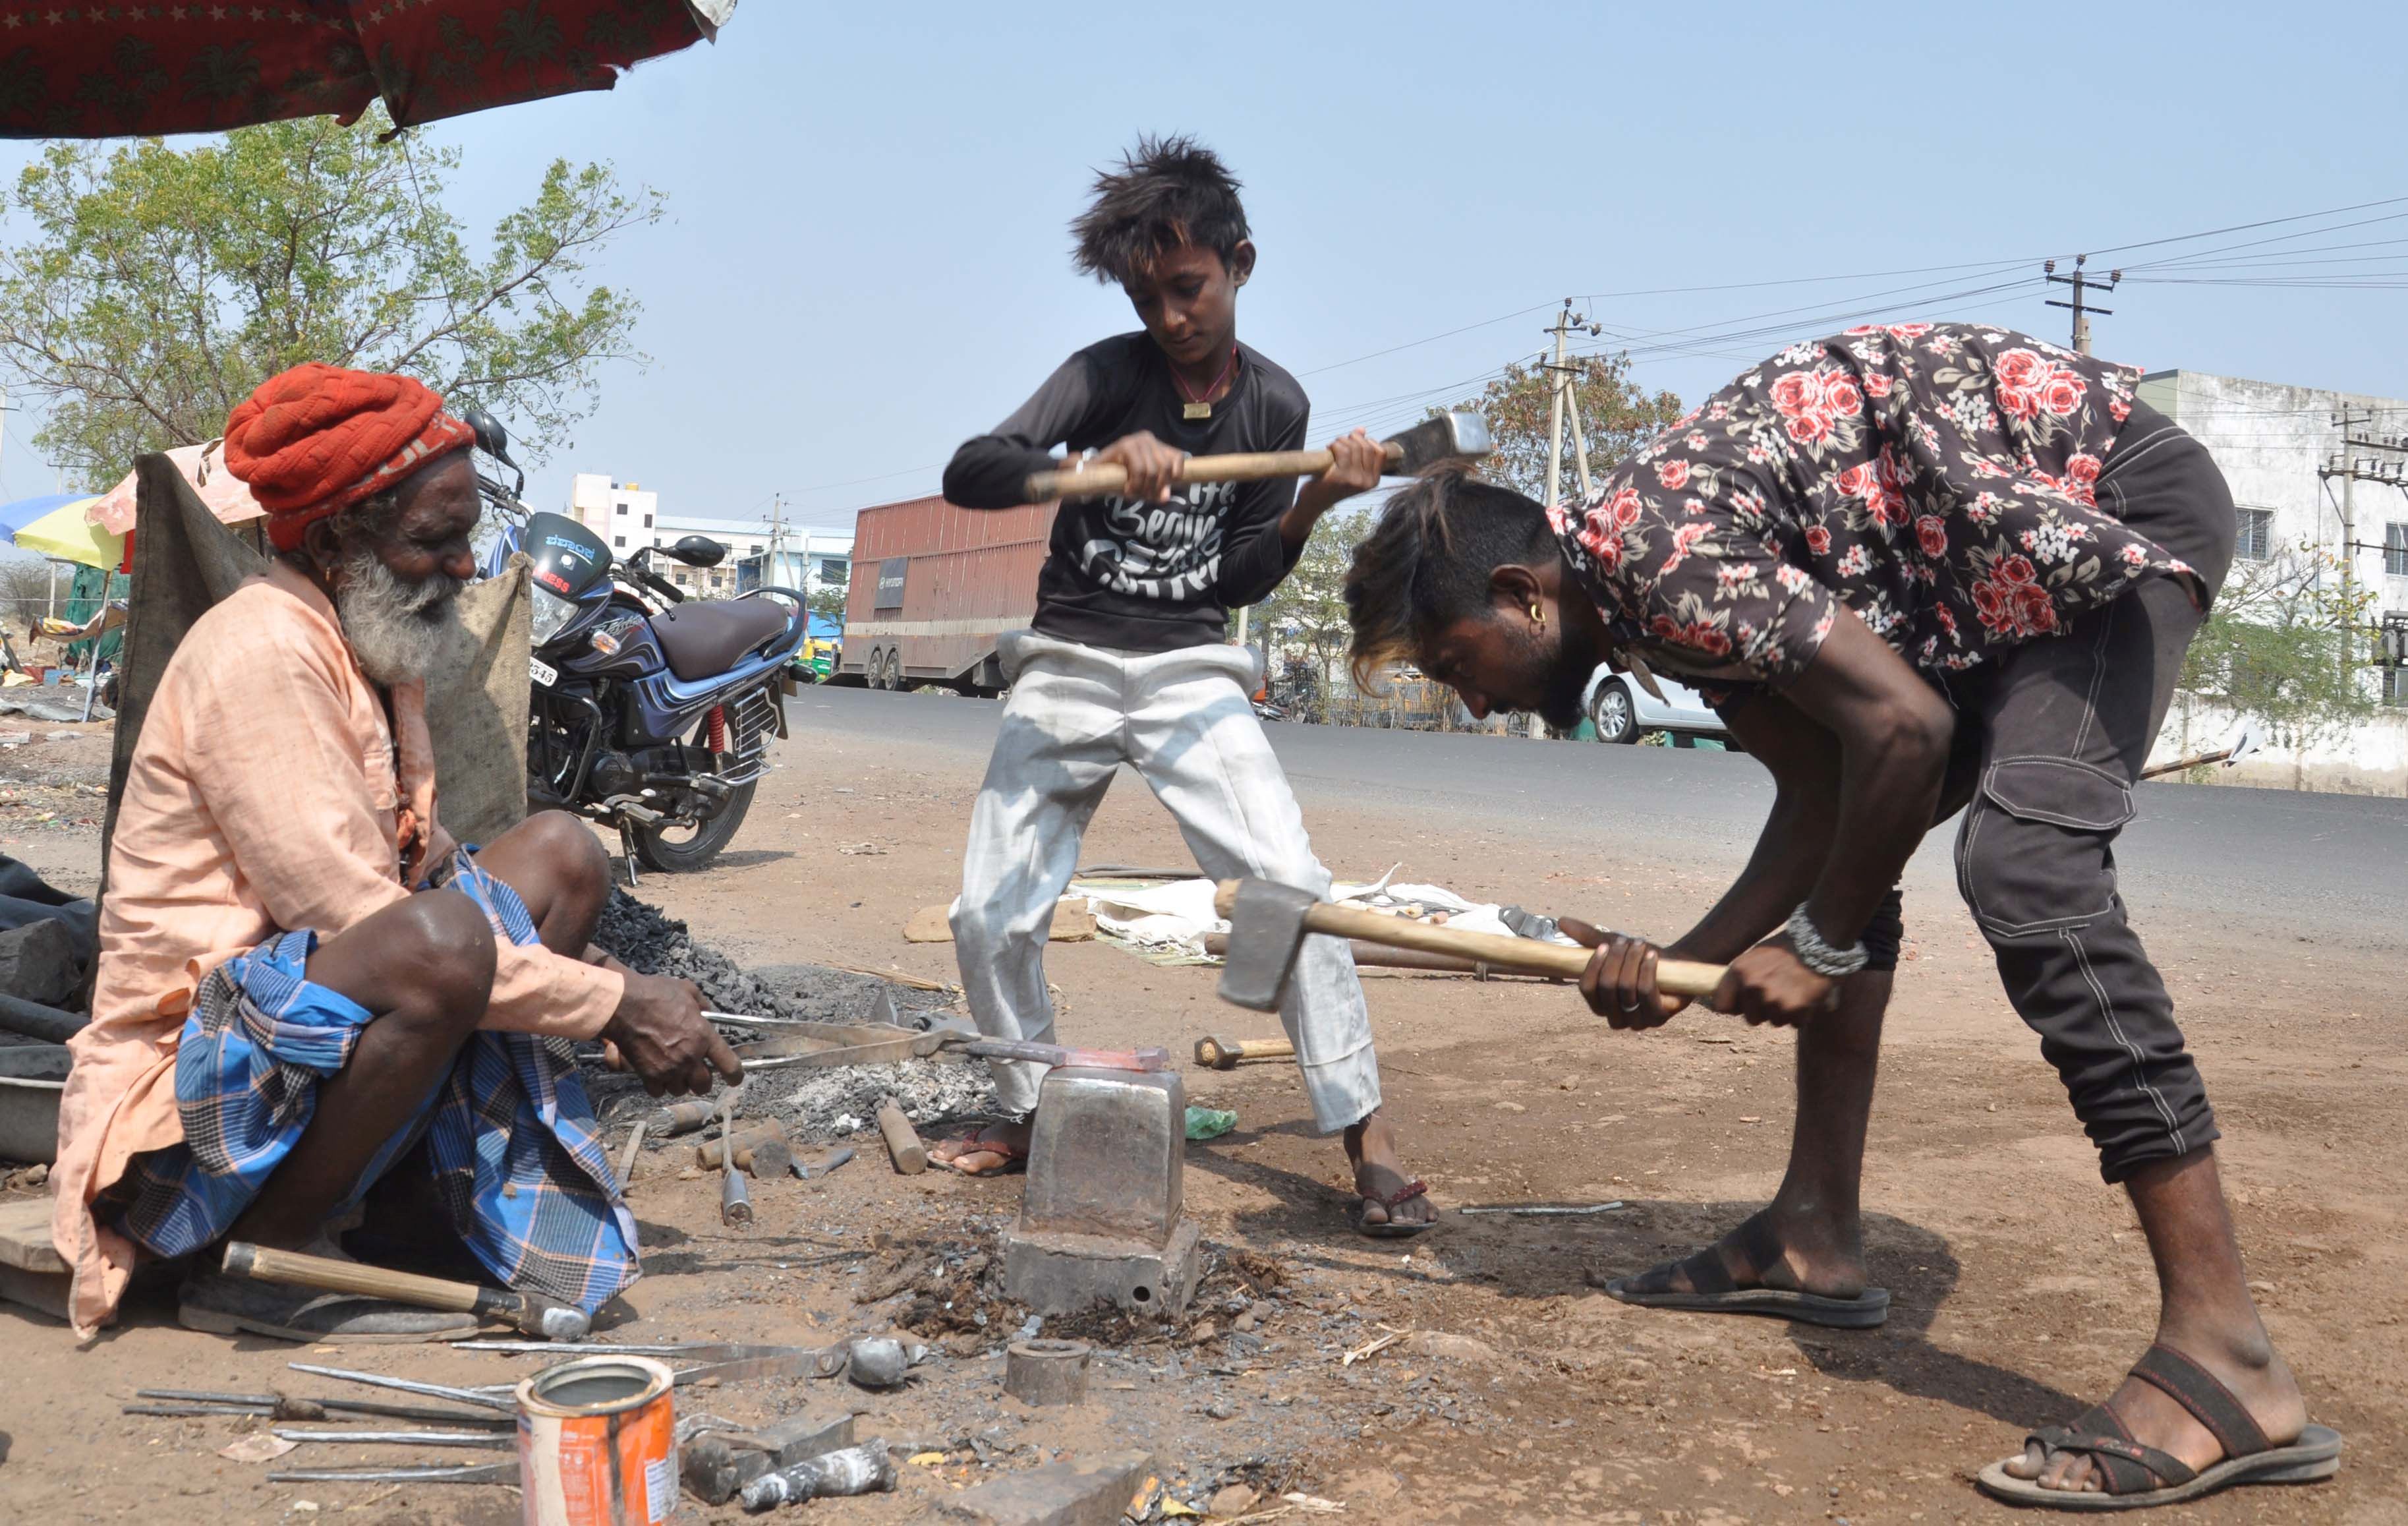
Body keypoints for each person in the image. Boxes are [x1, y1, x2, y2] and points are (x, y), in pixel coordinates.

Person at [1338, 323, 2339, 1506]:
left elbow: (1907, 734)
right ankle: (1815, 1235)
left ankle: (2227, 1353)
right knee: (1865, 844)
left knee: (2028, 874)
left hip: (2101, 509)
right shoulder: (1641, 595)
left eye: (1459, 664)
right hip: (1983, 568)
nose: (1471, 698)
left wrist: (1814, 944)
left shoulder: (1656, 556)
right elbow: (1829, 797)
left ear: (1522, 593)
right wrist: (1674, 968)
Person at [51, 363, 739, 1342]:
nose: (466, 566)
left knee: (561, 852)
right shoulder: (263, 653)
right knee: (443, 943)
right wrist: (614, 1006)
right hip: (189, 1088)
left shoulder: (362, 640)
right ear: (336, 540)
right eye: (437, 541)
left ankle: (396, 1200)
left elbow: (431, 868)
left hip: (293, 1020)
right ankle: (267, 1262)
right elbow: (371, 922)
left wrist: (619, 981)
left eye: (466, 536)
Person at [934, 136, 1431, 1234]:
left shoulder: (1276, 407)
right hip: (1066, 662)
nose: (1170, 316)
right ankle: (1026, 1108)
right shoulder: (1106, 375)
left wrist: (1313, 502)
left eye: (1188, 288)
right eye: (1147, 295)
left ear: (1240, 263)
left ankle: (1369, 1138)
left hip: (1187, 670)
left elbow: (1242, 570)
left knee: (1291, 888)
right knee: (989, 912)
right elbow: (970, 469)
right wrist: (1086, 467)